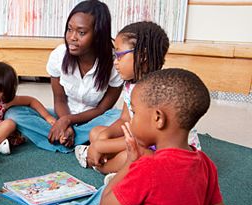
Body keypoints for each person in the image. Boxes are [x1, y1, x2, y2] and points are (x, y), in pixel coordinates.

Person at [52, 69, 226, 205]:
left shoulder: (147, 167)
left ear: (158, 118)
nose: (130, 120)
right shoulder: (206, 164)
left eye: (134, 113)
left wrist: (130, 162)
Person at [74, 21, 201, 174]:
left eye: (119, 55)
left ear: (142, 56)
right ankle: (111, 163)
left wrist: (100, 146)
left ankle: (99, 165)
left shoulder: (157, 90)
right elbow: (125, 119)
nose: (115, 62)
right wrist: (104, 136)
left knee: (128, 156)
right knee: (96, 132)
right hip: (141, 138)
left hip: (165, 151)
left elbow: (143, 139)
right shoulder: (130, 84)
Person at [5, 0, 123, 153]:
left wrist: (67, 122)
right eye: (69, 29)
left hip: (93, 120)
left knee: (118, 117)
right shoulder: (59, 55)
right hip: (62, 114)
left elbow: (102, 109)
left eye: (81, 32)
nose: (72, 37)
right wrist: (63, 121)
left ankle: (61, 137)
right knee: (14, 113)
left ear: (98, 35)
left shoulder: (116, 64)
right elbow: (59, 100)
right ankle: (79, 140)